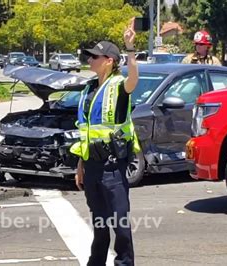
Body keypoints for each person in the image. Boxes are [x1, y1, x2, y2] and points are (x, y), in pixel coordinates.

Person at [70, 17, 140, 266]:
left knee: (120, 224)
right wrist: (81, 164)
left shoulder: (119, 85)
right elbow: (86, 132)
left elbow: (133, 80)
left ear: (109, 61)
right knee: (99, 223)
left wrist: (130, 49)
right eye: (89, 56)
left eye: (95, 57)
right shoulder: (88, 90)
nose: (90, 60)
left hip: (113, 167)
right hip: (92, 167)